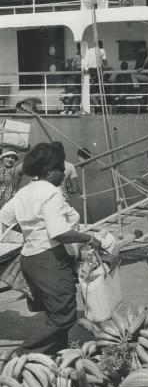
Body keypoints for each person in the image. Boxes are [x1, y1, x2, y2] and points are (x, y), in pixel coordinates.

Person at [0, 142, 102, 355]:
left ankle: (56, 354)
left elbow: (5, 218)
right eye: (60, 169)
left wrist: (32, 229)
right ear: (48, 171)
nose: (64, 172)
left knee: (54, 311)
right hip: (49, 259)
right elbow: (59, 232)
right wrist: (89, 238)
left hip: (29, 258)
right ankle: (20, 355)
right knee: (65, 314)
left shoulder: (25, 191)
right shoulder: (52, 193)